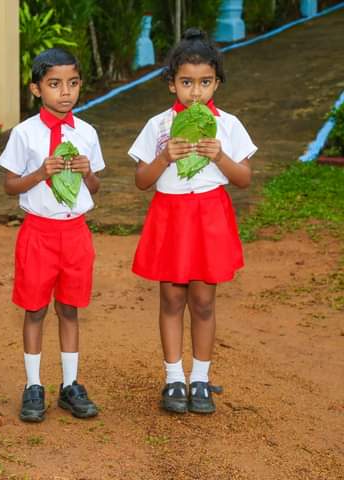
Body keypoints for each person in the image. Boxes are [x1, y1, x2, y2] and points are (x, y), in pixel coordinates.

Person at [128, 28, 256, 414]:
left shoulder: (229, 126)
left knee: (202, 301)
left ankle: (199, 378)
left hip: (209, 217)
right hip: (171, 216)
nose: (196, 92)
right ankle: (173, 379)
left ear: (216, 82)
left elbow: (244, 178)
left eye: (204, 82)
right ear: (172, 84)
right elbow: (141, 182)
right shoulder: (159, 126)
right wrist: (165, 156)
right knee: (171, 298)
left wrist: (219, 156)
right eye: (186, 82)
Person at [0, 48, 105, 422]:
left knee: (70, 308)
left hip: (76, 232)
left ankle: (70, 385)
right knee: (35, 309)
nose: (65, 92)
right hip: (38, 232)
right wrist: (40, 174)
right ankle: (32, 385)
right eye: (55, 84)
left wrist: (89, 173)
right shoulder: (24, 134)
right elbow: (11, 186)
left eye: (72, 84)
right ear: (36, 88)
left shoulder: (87, 133)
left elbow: (95, 187)